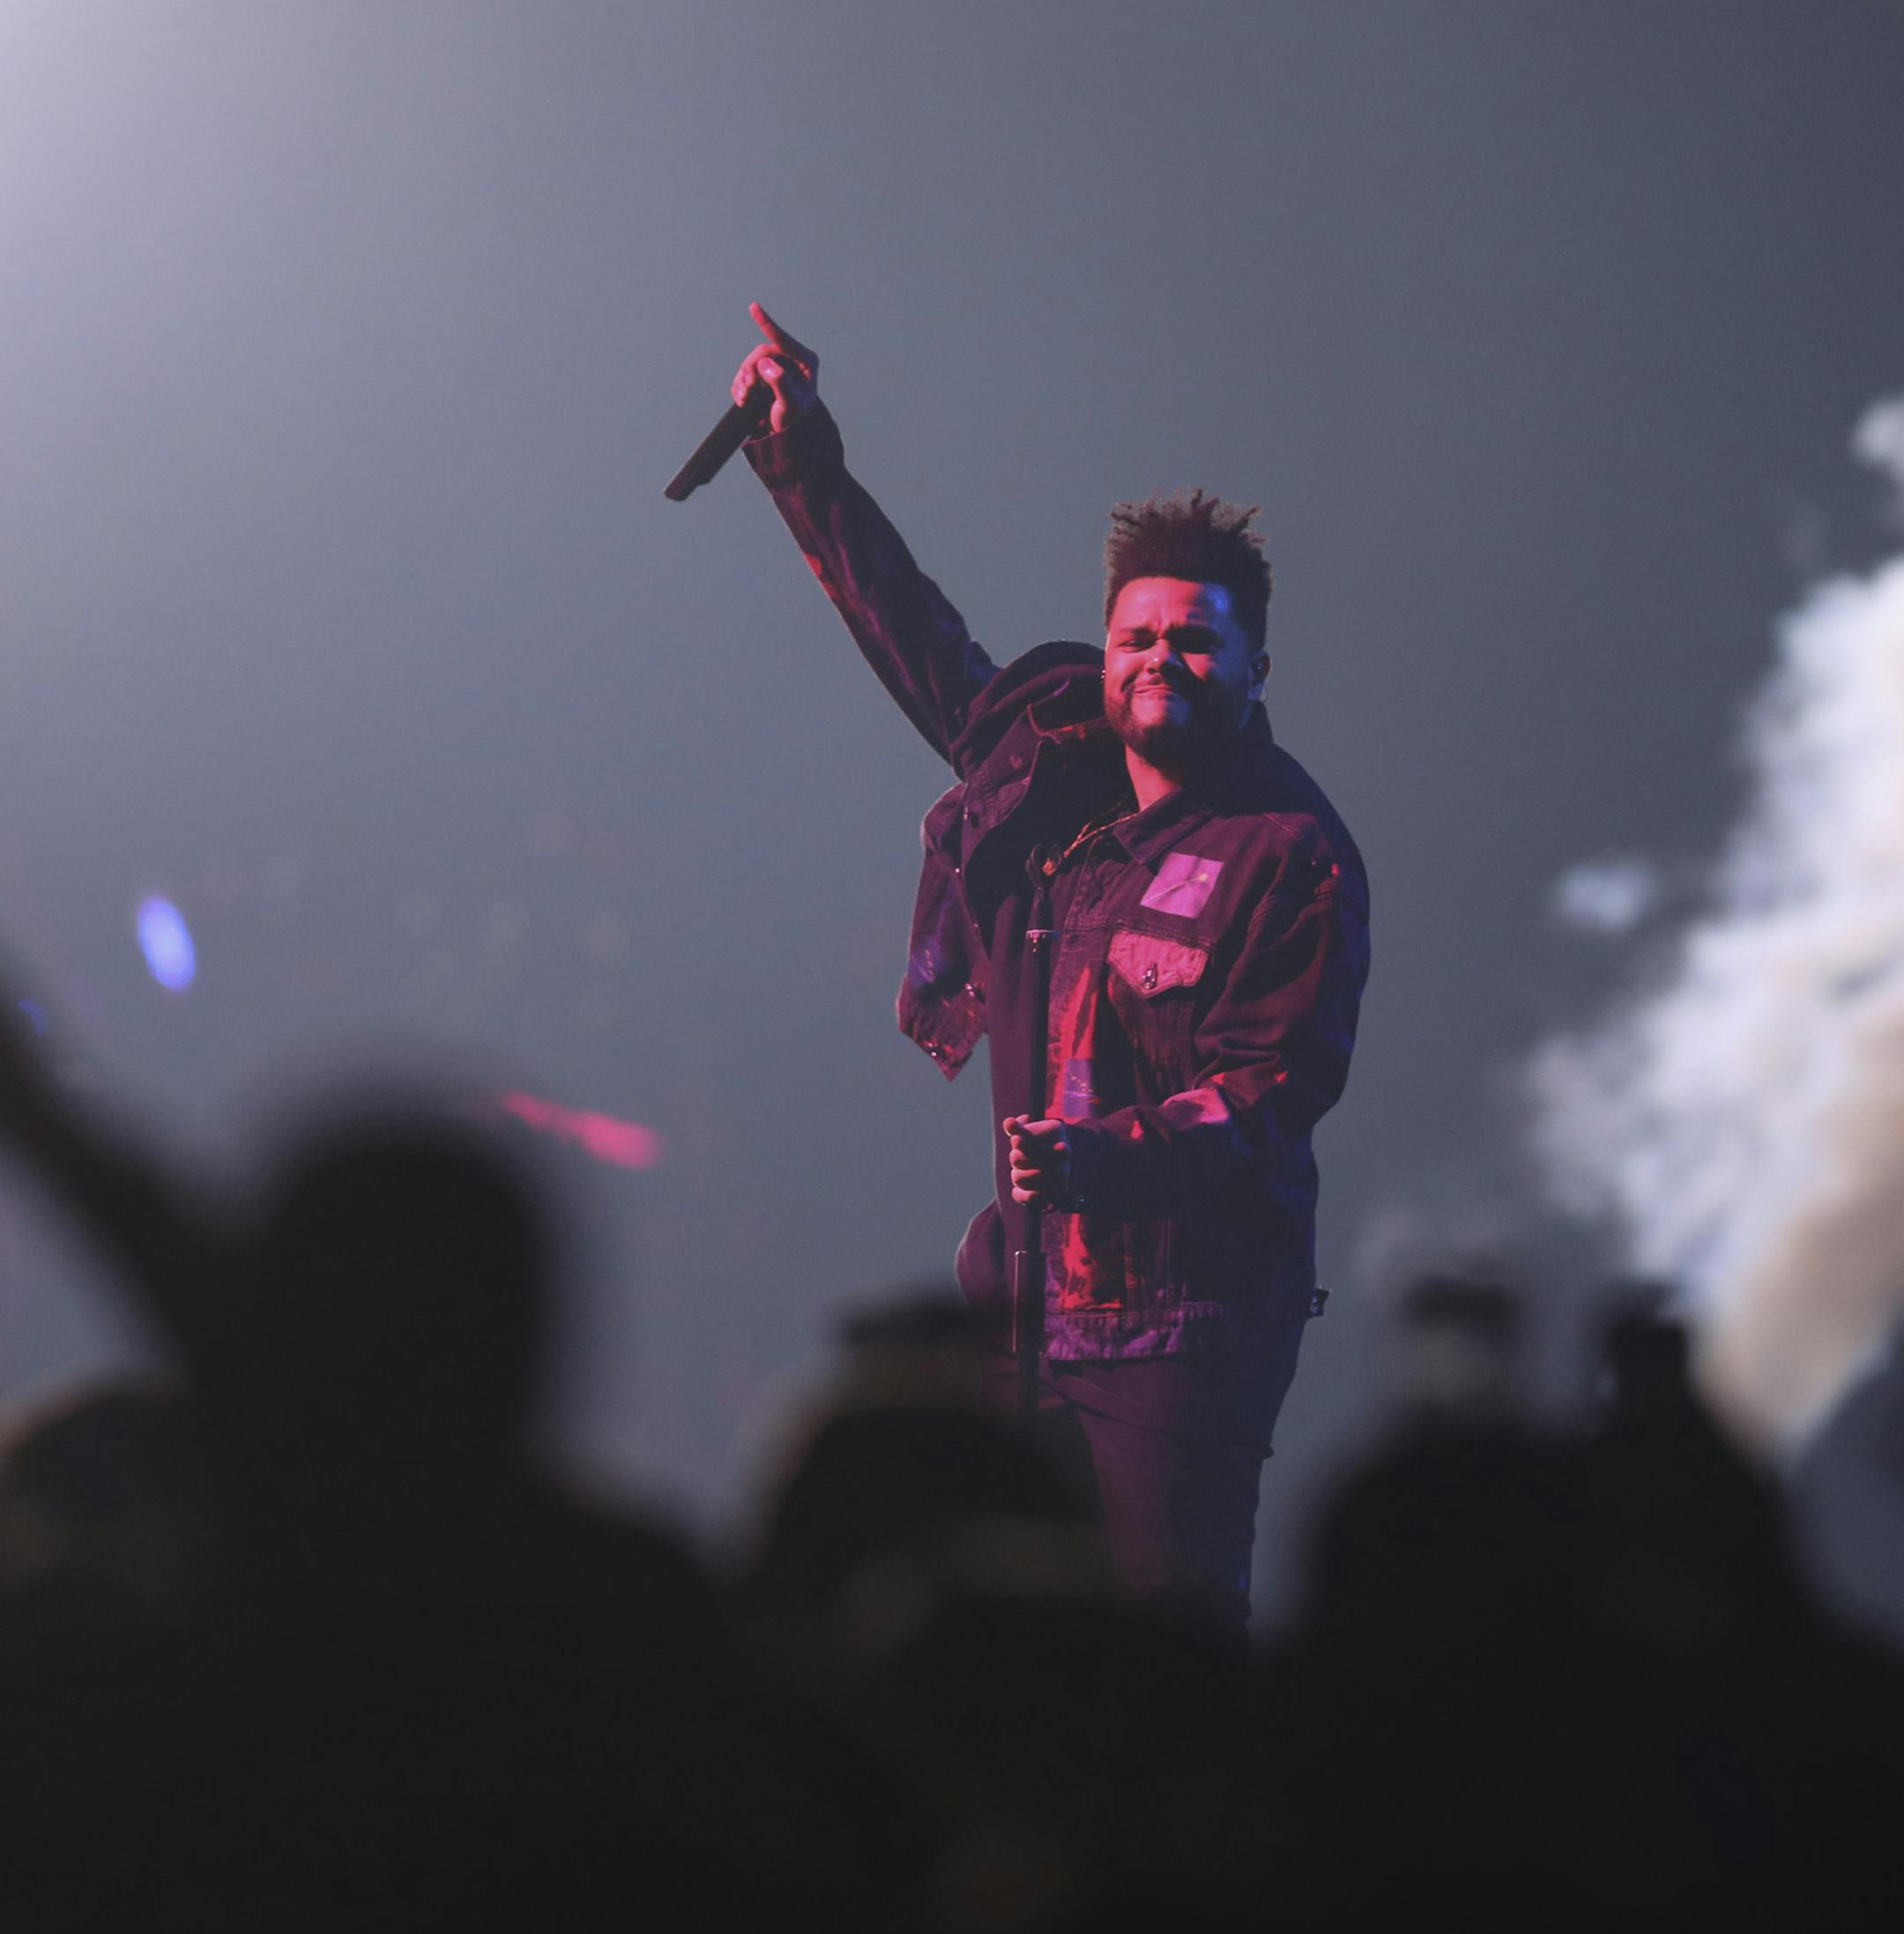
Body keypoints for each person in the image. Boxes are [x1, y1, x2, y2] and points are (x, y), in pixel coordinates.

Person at [733, 303, 1370, 1631]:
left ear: (1258, 667)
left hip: (1182, 1340)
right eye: (1138, 635)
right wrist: (808, 467)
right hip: (1022, 1313)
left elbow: (1272, 1092)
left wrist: (1111, 1152)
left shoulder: (1289, 852)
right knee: (986, 1631)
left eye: (1196, 638)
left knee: (1160, 1650)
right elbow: (916, 640)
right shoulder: (1050, 786)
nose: (1159, 662)